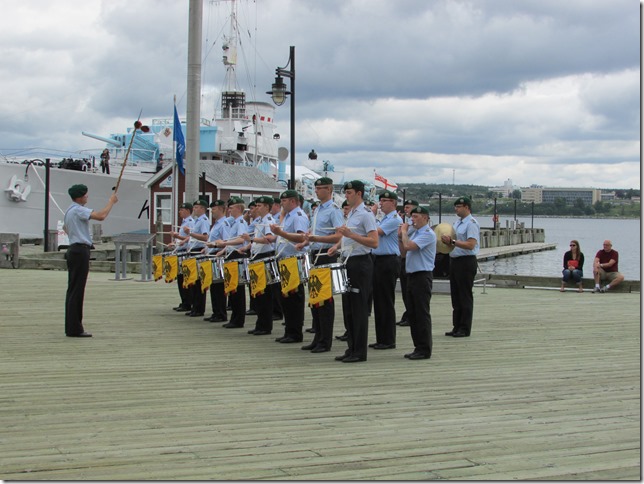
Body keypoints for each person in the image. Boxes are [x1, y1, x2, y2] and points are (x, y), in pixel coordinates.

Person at [329, 180, 378, 363]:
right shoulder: (351, 214)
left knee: (358, 308)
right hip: (348, 260)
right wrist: (337, 246)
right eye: (346, 192)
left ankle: (359, 351)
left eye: (349, 192)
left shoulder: (366, 215)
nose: (346, 195)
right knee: (348, 307)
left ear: (358, 193)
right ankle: (351, 348)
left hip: (360, 263)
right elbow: (348, 239)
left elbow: (374, 242)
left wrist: (351, 235)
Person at [63, 184, 117, 337]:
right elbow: (101, 216)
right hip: (80, 250)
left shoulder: (69, 210)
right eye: (86, 195)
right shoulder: (79, 210)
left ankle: (72, 326)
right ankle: (75, 328)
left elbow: (67, 229)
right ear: (79, 197)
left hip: (73, 249)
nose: (87, 197)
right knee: (77, 290)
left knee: (73, 289)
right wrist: (111, 201)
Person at [300, 177, 343, 353]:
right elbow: (313, 232)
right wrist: (306, 241)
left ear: (329, 189)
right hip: (315, 254)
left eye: (320, 188)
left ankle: (325, 341)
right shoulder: (317, 210)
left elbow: (340, 235)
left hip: (326, 254)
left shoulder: (333, 210)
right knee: (315, 298)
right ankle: (318, 336)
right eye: (315, 188)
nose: (316, 191)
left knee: (324, 300)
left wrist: (317, 239)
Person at [270, 190, 310, 344]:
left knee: (294, 298)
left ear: (293, 201)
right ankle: (289, 330)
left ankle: (295, 332)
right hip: (285, 260)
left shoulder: (298, 216)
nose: (282, 203)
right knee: (286, 297)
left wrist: (282, 233)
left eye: (284, 201)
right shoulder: (287, 216)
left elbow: (301, 237)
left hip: (294, 260)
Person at [440, 196, 480, 338]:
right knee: (455, 296)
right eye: (455, 206)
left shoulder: (471, 223)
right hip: (455, 260)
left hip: (466, 261)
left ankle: (464, 328)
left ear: (467, 207)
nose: (456, 209)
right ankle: (456, 326)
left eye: (459, 206)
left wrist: (453, 241)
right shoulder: (457, 223)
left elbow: (470, 244)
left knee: (464, 295)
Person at [399, 206, 436, 359]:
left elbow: (409, 246)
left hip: (422, 275)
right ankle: (417, 346)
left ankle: (425, 348)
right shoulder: (414, 233)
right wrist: (400, 237)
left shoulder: (427, 233)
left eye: (416, 217)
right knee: (413, 313)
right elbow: (403, 252)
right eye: (412, 216)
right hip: (412, 275)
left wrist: (403, 232)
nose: (412, 220)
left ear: (425, 218)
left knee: (421, 313)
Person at [369, 190, 402, 350]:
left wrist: (371, 215)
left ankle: (388, 339)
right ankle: (381, 337)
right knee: (379, 301)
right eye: (380, 200)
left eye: (385, 201)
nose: (381, 203)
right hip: (378, 260)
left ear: (394, 203)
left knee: (386, 301)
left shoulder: (395, 219)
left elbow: (375, 233)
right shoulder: (385, 218)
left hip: (388, 260)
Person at [212, 197, 249, 328]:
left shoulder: (240, 223)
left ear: (238, 208)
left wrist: (225, 243)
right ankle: (235, 318)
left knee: (237, 290)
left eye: (232, 208)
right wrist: (223, 250)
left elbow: (240, 240)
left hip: (237, 255)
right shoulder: (234, 222)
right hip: (231, 254)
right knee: (232, 288)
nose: (229, 210)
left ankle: (238, 319)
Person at [243, 196, 277, 335]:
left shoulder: (268, 220)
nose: (257, 208)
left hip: (265, 257)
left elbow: (269, 239)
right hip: (257, 257)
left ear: (268, 207)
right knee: (258, 293)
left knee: (264, 294)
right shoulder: (260, 221)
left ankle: (265, 325)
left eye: (260, 205)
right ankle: (260, 324)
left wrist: (251, 239)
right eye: (256, 205)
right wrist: (249, 245)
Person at [181, 200, 210, 317]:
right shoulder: (198, 220)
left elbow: (205, 237)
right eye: (194, 207)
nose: (195, 209)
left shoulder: (203, 221)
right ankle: (195, 307)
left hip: (199, 250)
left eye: (197, 207)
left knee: (198, 282)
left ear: (203, 209)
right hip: (193, 250)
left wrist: (190, 233)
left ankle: (199, 308)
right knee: (194, 281)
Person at [203, 200, 229, 322]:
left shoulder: (224, 223)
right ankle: (216, 312)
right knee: (214, 286)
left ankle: (221, 313)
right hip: (212, 255)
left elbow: (226, 242)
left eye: (214, 209)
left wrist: (216, 247)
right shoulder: (216, 224)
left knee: (219, 287)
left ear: (220, 209)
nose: (212, 211)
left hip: (218, 256)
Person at [397, 199, 419, 327]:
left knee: (410, 291)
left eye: (408, 207)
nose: (406, 210)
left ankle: (411, 315)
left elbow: (407, 243)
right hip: (404, 258)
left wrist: (403, 231)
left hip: (410, 258)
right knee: (405, 291)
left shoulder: (414, 226)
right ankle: (408, 314)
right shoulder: (407, 223)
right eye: (405, 207)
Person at [170, 203, 195, 312]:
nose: (180, 212)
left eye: (182, 210)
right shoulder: (184, 222)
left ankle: (187, 302)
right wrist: (174, 242)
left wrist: (177, 236)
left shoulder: (190, 223)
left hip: (185, 252)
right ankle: (184, 301)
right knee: (180, 278)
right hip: (180, 250)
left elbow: (191, 237)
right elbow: (183, 239)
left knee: (184, 278)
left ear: (188, 211)